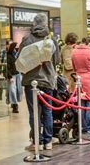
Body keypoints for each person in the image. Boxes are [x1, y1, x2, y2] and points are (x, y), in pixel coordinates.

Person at [19, 13, 60, 151]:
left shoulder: (27, 39)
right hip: (47, 80)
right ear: (46, 23)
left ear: (33, 23)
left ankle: (38, 142)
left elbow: (20, 60)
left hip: (31, 81)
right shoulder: (52, 39)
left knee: (34, 112)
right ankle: (48, 141)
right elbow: (57, 61)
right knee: (48, 111)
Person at [72, 39, 90, 136]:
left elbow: (74, 67)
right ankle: (89, 126)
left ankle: (83, 126)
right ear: (88, 44)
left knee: (82, 104)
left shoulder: (74, 52)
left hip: (79, 78)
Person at [6, 42, 22, 113]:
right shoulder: (8, 55)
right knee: (12, 90)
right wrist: (9, 76)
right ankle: (15, 105)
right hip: (12, 75)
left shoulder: (16, 54)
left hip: (18, 74)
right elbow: (7, 67)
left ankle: (14, 103)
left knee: (18, 90)